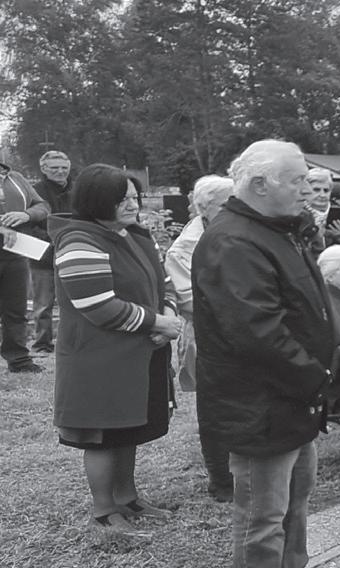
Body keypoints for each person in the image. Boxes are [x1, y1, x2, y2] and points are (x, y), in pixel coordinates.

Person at [193, 140, 340, 568]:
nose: (308, 189)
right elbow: (256, 331)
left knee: (296, 494)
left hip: (292, 395)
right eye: (297, 180)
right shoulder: (234, 242)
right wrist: (315, 375)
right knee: (262, 508)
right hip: (260, 400)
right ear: (260, 185)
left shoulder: (275, 229)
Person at [50, 164, 181, 539]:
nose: (132, 205)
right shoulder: (78, 241)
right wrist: (156, 323)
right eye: (121, 199)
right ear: (96, 201)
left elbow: (164, 283)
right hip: (98, 361)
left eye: (134, 197)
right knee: (103, 436)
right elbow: (98, 307)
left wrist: (166, 314)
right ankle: (104, 511)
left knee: (128, 428)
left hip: (137, 354)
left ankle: (128, 498)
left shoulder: (134, 234)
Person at [164, 174, 236, 500]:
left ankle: (245, 470)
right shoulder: (185, 247)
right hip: (209, 336)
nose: (234, 210)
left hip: (243, 332)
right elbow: (189, 301)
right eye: (226, 205)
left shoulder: (238, 233)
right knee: (215, 408)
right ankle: (221, 480)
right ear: (204, 208)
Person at [0, 160, 50, 373]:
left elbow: (43, 206)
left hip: (16, 252)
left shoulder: (15, 178)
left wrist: (26, 214)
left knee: (16, 309)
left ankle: (18, 359)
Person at [30, 150, 72, 354]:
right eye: (55, 168)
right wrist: (51, 239)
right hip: (43, 255)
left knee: (73, 301)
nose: (60, 171)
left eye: (64, 168)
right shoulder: (34, 193)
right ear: (44, 169)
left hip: (72, 252)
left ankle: (70, 341)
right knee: (43, 304)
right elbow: (28, 224)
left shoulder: (78, 190)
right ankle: (42, 344)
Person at [304, 167, 334, 257]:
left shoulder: (339, 213)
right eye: (316, 190)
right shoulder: (296, 214)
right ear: (305, 190)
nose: (322, 195)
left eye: (326, 190)